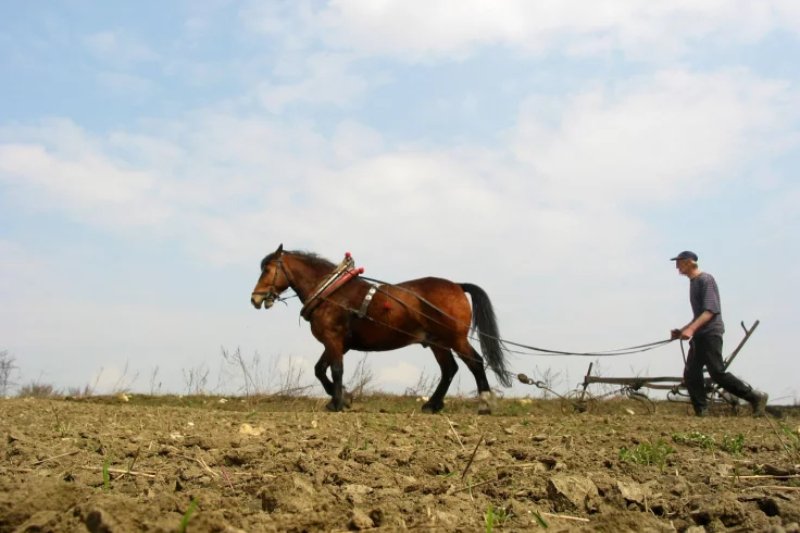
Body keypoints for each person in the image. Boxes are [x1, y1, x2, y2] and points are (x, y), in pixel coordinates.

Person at [670, 251, 768, 417]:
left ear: (689, 262)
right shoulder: (694, 282)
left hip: (710, 333)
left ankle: (755, 397)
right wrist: (682, 330)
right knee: (691, 373)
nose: (677, 266)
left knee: (717, 373)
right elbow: (698, 315)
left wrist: (691, 329)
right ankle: (702, 411)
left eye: (679, 262)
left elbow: (710, 311)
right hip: (700, 335)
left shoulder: (705, 280)